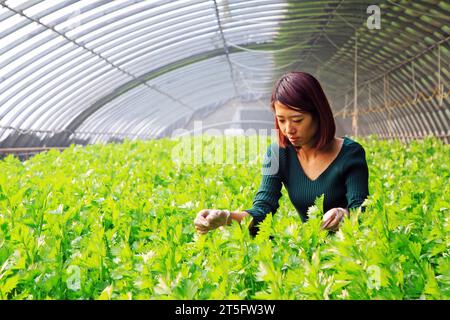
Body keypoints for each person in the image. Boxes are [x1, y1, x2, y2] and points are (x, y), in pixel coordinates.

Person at [194, 71, 369, 236]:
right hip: (308, 246)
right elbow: (262, 211)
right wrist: (224, 217)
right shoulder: (277, 154)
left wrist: (344, 213)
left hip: (349, 249)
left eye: (297, 120)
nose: (288, 129)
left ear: (319, 114)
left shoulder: (350, 153)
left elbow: (362, 210)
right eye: (281, 119)